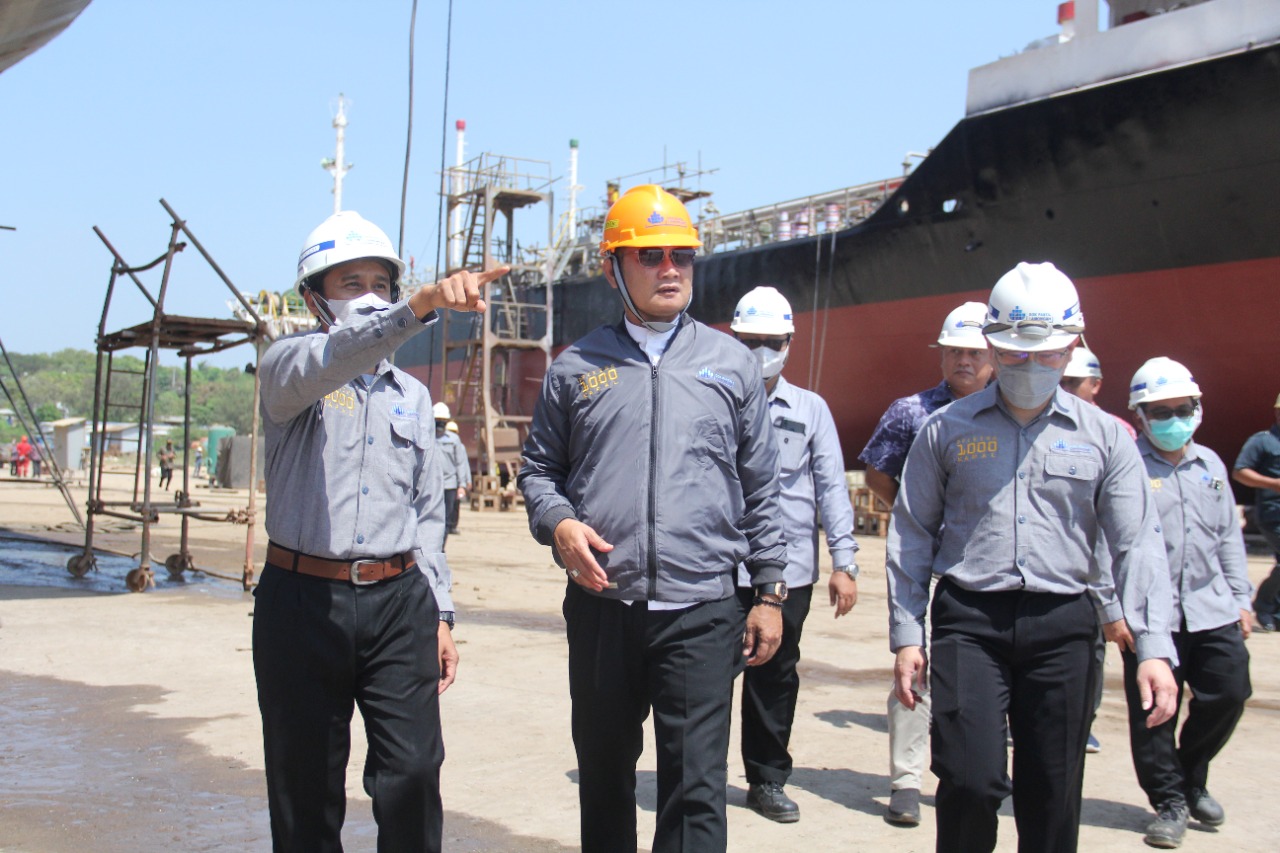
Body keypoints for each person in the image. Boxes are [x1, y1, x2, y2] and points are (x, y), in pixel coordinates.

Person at [518, 185, 788, 853]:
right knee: (606, 778)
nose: (671, 269)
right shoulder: (575, 369)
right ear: (615, 267)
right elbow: (538, 473)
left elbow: (762, 485)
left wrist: (771, 591)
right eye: (650, 256)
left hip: (702, 610)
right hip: (603, 605)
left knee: (696, 791)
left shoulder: (731, 367)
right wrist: (558, 525)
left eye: (681, 256)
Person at [887, 261, 1179, 853]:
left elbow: (1135, 543)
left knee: (1053, 789)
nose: (1029, 368)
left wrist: (1153, 648)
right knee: (968, 780)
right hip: (971, 620)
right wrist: (907, 634)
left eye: (1047, 355)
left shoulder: (1106, 437)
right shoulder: (947, 430)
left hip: (1065, 626)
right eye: (1016, 355)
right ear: (992, 343)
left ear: (1073, 344)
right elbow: (913, 531)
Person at [253, 209, 503, 852]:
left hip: (398, 602)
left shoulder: (413, 399)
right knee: (306, 786)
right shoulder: (288, 371)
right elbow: (341, 353)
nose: (368, 295)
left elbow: (426, 516)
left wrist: (440, 613)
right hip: (303, 601)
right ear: (314, 298)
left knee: (414, 773)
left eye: (380, 283)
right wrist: (419, 305)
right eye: (348, 282)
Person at [857, 299, 993, 826]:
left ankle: (970, 775)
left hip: (985, 566)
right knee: (915, 666)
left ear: (996, 355)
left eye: (974, 352)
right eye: (955, 351)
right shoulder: (912, 412)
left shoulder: (1012, 413)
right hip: (928, 563)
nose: (964, 361)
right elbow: (877, 474)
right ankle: (906, 782)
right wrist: (918, 519)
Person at [728, 285, 858, 824]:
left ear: (789, 343)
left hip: (788, 573)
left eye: (771, 341)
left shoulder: (811, 409)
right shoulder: (710, 399)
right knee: (705, 678)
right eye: (751, 341)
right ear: (734, 340)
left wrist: (844, 562)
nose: (761, 351)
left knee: (774, 677)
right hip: (717, 566)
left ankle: (767, 779)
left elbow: (831, 486)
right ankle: (698, 777)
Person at [1120, 357, 1253, 848]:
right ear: (1139, 415)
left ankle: (1191, 773)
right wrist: (1113, 611)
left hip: (1212, 606)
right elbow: (1106, 542)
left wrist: (1241, 598)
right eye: (1161, 411)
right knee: (1154, 713)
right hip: (1150, 616)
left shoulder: (1212, 467)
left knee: (1230, 692)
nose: (1174, 419)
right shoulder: (1126, 466)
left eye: (1183, 408)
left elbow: (1227, 540)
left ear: (1198, 408)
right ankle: (1171, 802)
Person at [1059, 343, 1137, 756]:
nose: (1067, 389)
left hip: (1100, 561)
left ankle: (1083, 722)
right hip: (1061, 560)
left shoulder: (1118, 432)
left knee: (1093, 651)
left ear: (1096, 385)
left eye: (1076, 382)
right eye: (1063, 381)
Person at [1232, 393, 1280, 632]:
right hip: (1273, 514)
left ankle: (1274, 610)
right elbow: (1240, 471)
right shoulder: (1262, 441)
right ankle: (1263, 603)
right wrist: (1274, 484)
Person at [432, 402, 470, 544]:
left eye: (443, 421)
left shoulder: (454, 440)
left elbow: (460, 463)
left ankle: (441, 547)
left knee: (446, 519)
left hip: (449, 485)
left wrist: (462, 485)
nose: (440, 424)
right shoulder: (427, 437)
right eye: (437, 421)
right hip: (431, 485)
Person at [444, 420, 466, 532]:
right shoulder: (436, 440)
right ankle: (449, 526)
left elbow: (462, 464)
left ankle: (451, 526)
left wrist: (463, 483)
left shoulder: (459, 445)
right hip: (450, 483)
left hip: (451, 482)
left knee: (453, 507)